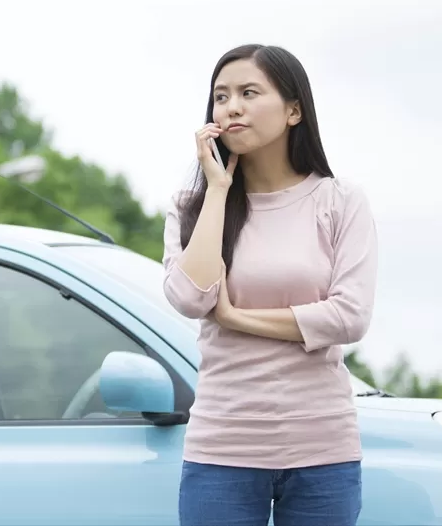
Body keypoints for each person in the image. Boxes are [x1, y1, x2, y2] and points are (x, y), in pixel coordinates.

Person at [162, 44, 378, 526]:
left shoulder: (339, 201)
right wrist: (217, 190)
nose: (231, 106)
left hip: (322, 448)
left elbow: (350, 316)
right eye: (220, 97)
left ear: (294, 109)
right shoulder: (191, 205)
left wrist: (237, 318)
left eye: (248, 92)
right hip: (222, 447)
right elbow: (190, 297)